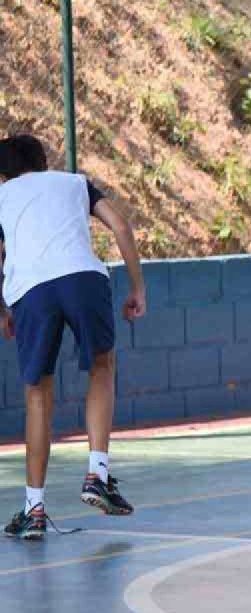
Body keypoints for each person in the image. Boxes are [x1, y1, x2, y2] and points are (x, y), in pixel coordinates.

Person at [0, 134, 147, 540]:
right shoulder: (73, 182)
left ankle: (33, 509)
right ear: (44, 162)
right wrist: (138, 287)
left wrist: (2, 309)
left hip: (31, 290)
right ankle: (96, 474)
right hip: (83, 277)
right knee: (101, 367)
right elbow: (119, 224)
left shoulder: (2, 197)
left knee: (37, 392)